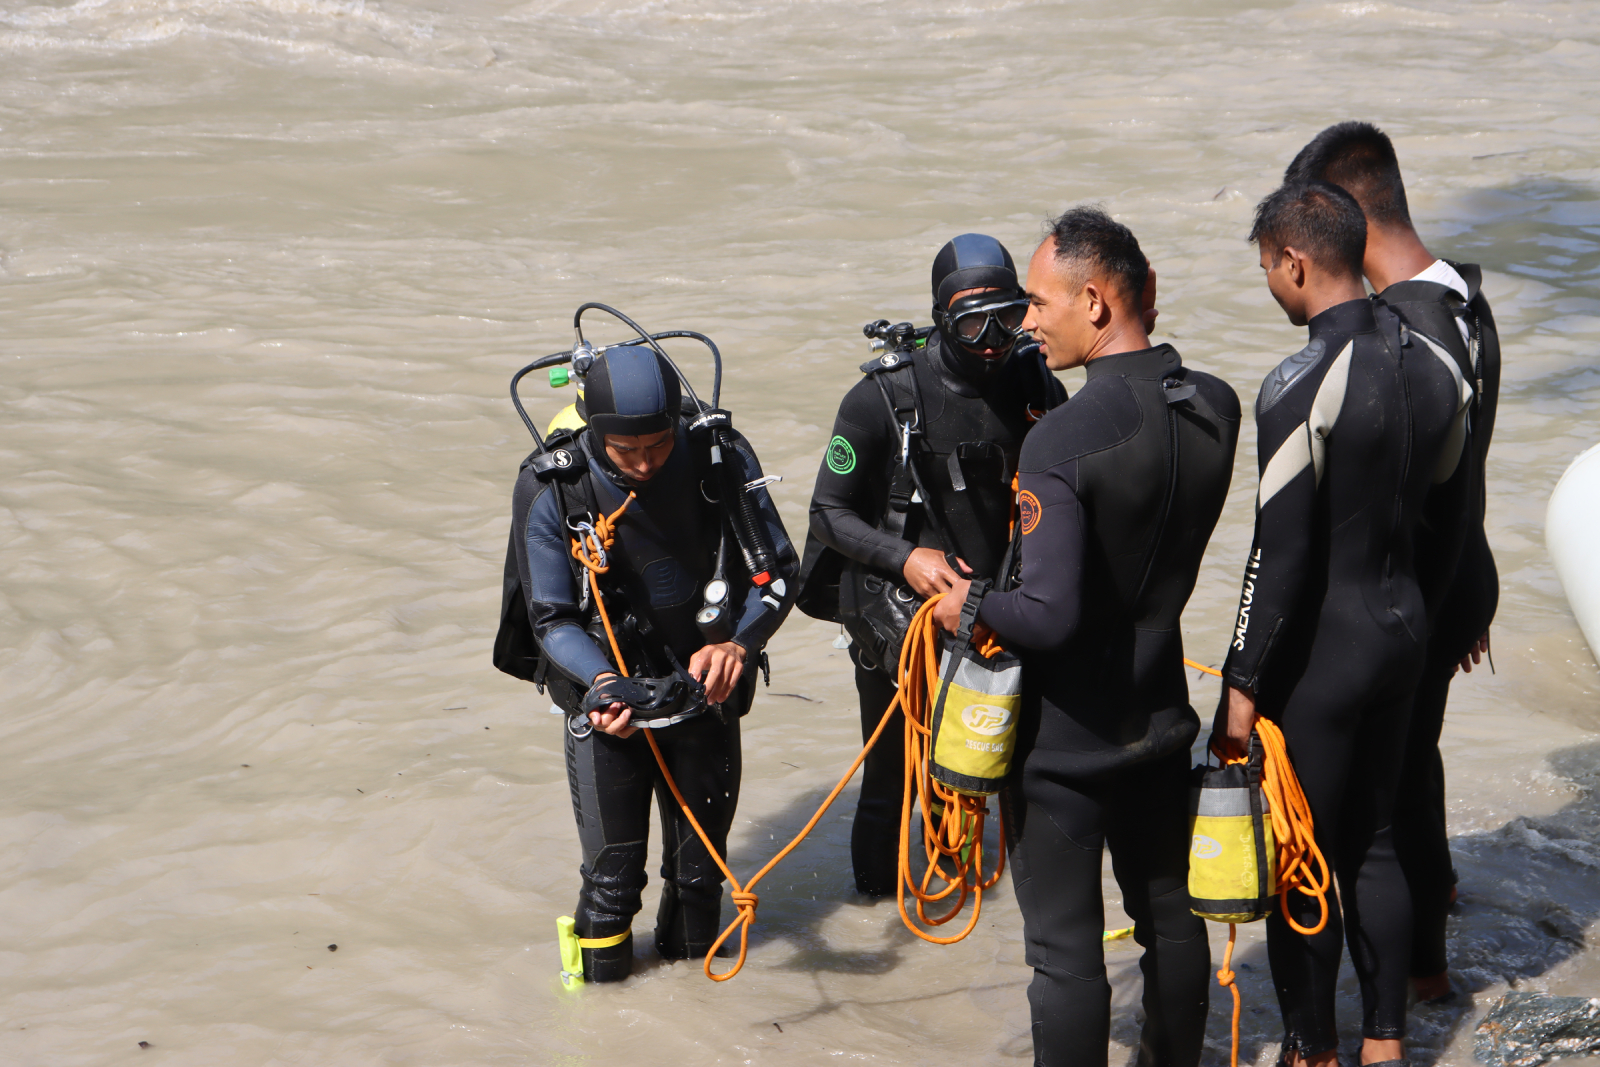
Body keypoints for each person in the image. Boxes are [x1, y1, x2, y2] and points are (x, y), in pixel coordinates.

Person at [933, 207, 1238, 1067]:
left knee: (1065, 955)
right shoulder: (1215, 405)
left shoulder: (1060, 438)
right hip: (1160, 717)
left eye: (1038, 301)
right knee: (1170, 920)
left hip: (1066, 746)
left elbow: (1049, 614)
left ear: (1096, 302)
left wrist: (968, 601)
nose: (1027, 322)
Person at [1216, 181, 1474, 1067]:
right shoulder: (1439, 362)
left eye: (1266, 268)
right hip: (1403, 634)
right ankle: (1385, 1041)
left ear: (1294, 262)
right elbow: (1450, 510)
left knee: (1305, 855)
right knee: (1377, 843)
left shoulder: (1298, 381)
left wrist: (1241, 682)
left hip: (1324, 655)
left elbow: (1277, 552)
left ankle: (1311, 1048)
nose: (1269, 285)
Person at [500, 344, 797, 982]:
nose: (642, 463)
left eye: (658, 445)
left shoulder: (718, 455)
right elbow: (550, 619)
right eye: (624, 450)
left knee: (700, 878)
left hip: (704, 692)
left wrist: (738, 646)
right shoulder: (555, 484)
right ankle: (593, 1016)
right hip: (609, 704)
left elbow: (776, 576)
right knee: (613, 883)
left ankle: (693, 1011)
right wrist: (602, 683)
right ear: (593, 429)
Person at [1285, 121, 1500, 1001]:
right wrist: (1469, 590)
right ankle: (1435, 911)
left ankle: (1423, 975)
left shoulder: (1405, 333)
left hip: (1418, 589)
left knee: (1392, 788)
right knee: (1415, 767)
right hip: (1457, 574)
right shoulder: (1464, 297)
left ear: (1344, 220)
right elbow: (1464, 471)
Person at [795, 233, 1066, 897]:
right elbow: (827, 512)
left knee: (981, 770)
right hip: (900, 618)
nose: (993, 340)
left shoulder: (1036, 381)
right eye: (973, 323)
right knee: (891, 776)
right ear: (942, 319)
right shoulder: (881, 399)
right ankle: (876, 911)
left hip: (996, 610)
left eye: (1009, 316)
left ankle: (960, 901)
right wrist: (907, 556)